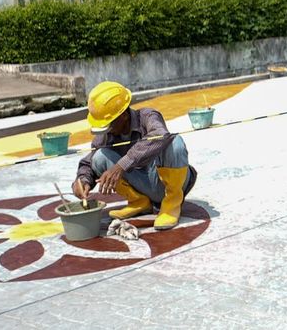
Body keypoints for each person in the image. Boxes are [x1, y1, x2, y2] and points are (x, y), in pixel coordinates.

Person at [72, 81, 197, 230]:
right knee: (99, 157)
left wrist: (121, 165)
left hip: (165, 182)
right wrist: (82, 181)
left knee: (174, 142)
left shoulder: (147, 116)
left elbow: (160, 135)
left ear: (123, 115)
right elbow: (88, 163)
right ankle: (139, 202)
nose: (107, 130)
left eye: (109, 125)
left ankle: (172, 204)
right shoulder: (105, 136)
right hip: (143, 185)